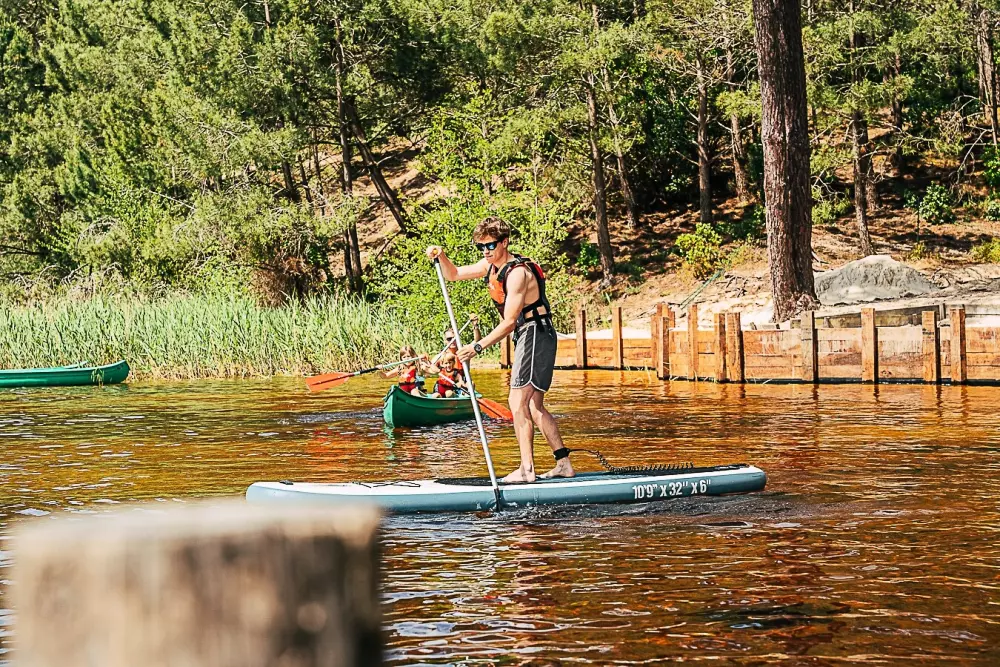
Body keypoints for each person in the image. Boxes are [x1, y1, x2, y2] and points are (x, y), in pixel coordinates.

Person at [426, 216, 574, 483]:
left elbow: (508, 322)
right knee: (534, 405)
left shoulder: (517, 273)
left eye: (491, 246)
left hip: (535, 334)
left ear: (504, 242)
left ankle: (527, 470)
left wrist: (477, 346)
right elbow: (455, 274)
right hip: (529, 334)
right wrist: (442, 256)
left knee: (517, 402)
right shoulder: (491, 265)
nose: (486, 251)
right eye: (481, 246)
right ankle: (563, 463)